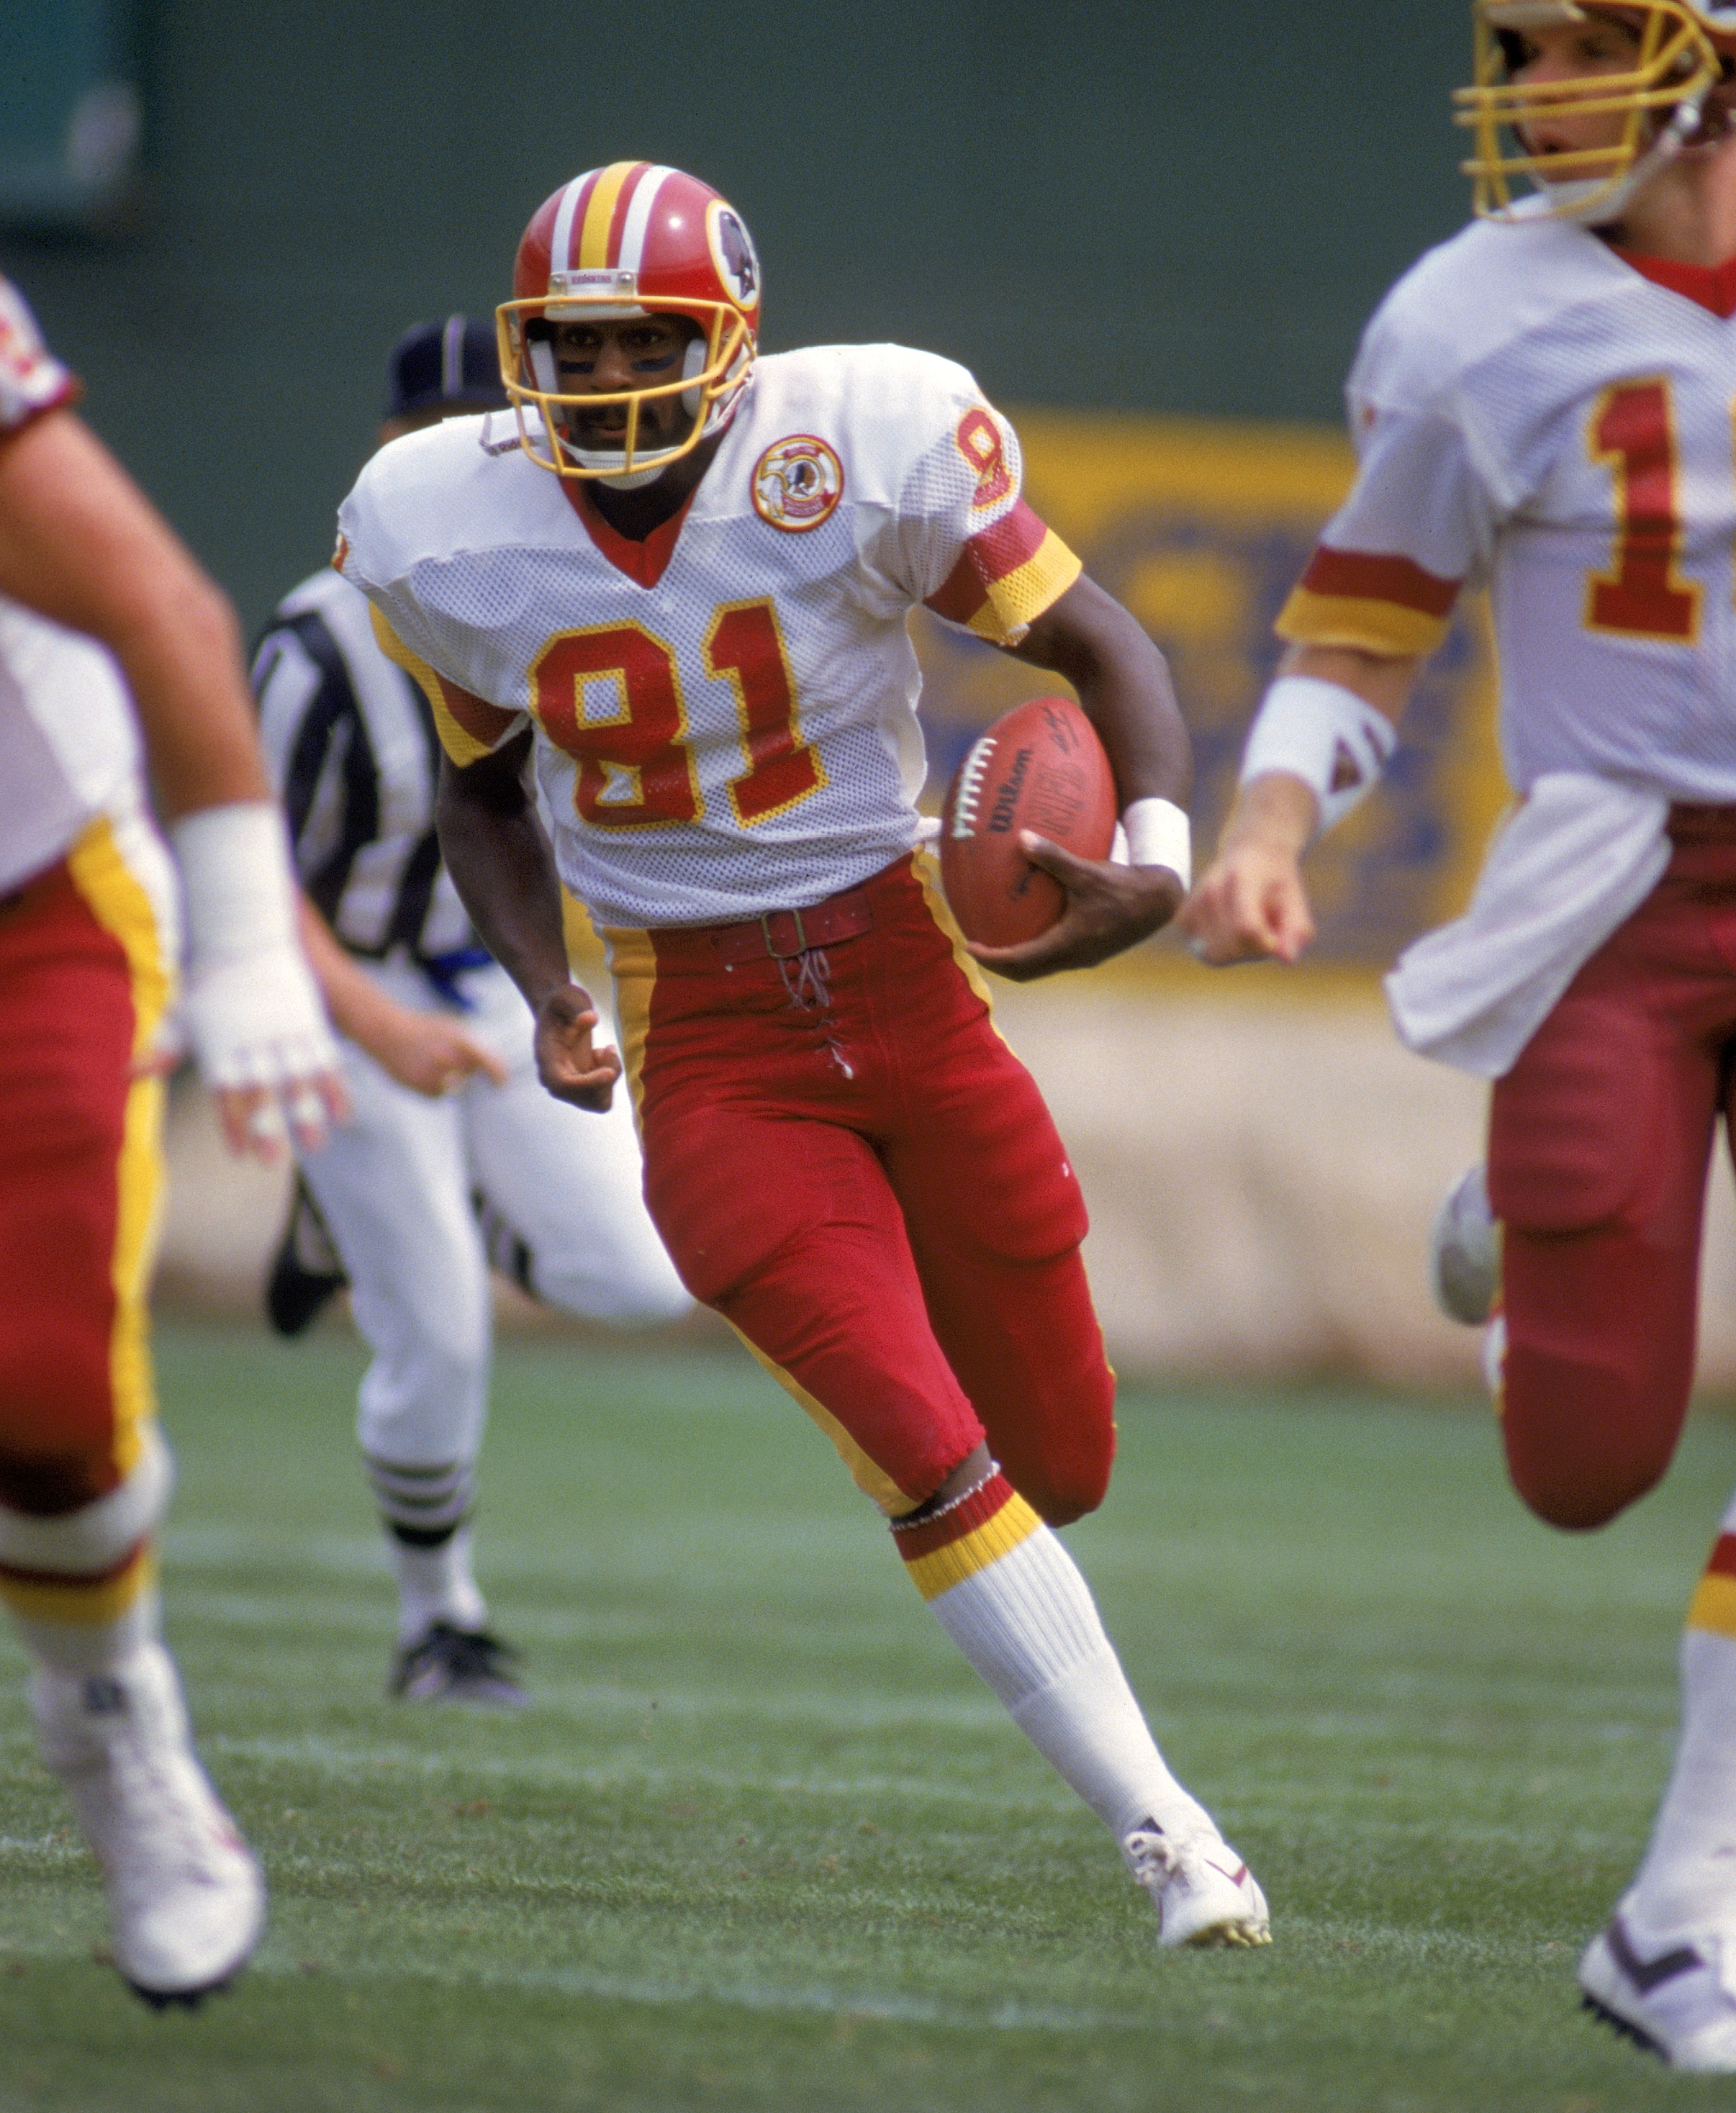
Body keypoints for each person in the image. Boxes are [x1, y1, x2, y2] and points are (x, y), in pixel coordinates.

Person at [331, 160, 1268, 1951]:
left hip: (912, 984)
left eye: (642, 342)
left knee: (1058, 1463)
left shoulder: (874, 439)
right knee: (926, 1451)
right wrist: (545, 986)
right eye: (570, 347)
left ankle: (1105, 1703)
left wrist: (1153, 850)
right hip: (714, 1047)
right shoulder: (440, 525)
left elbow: (1094, 639)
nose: (602, 382)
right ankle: (1171, 1837)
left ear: (736, 341)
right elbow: (479, 792)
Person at [1183, 0, 1736, 2060]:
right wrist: (1261, 817)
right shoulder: (1479, 312)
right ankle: (1519, 1202)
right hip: (1619, 894)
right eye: (1516, 47)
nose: (1526, 89)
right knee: (1582, 1459)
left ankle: (1679, 1908)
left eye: (1570, 44)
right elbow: (1365, 611)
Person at [251, 317, 690, 1707]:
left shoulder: (562, 591)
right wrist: (377, 1036)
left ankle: (422, 1208)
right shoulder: (319, 652)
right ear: (389, 463)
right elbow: (248, 887)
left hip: (496, 987)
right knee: (439, 1331)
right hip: (347, 994)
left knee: (643, 1278)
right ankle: (438, 1619)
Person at [0, 279, 343, 2004]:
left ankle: (114, 1723)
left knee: (45, 1400)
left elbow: (157, 603)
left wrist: (248, 935)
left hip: (28, 888)